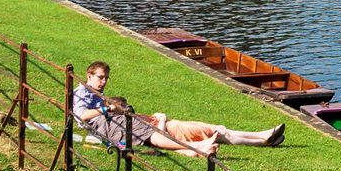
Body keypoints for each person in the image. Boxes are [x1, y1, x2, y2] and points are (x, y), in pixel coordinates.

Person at [73, 62, 283, 155]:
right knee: (214, 133)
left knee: (217, 129)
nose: (104, 82)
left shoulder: (98, 96)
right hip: (159, 126)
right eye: (100, 77)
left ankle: (262, 137)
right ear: (89, 75)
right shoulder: (82, 93)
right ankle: (260, 140)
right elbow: (82, 116)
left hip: (158, 122)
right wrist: (108, 109)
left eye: (106, 78)